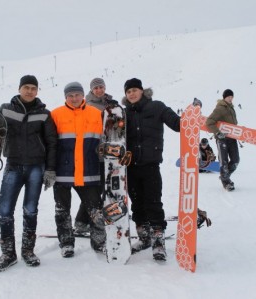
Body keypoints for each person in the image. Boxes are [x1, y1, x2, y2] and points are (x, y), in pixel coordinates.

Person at [122, 78, 199, 261]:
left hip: (150, 165)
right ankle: (144, 237)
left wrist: (192, 113)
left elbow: (178, 124)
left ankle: (158, 242)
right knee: (137, 203)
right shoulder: (124, 113)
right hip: (130, 166)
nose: (132, 94)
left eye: (134, 90)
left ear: (142, 91)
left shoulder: (156, 107)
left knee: (153, 203)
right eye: (128, 91)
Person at [0, 75, 57, 272]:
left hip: (36, 167)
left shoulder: (44, 114)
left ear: (37, 91)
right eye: (26, 87)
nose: (29, 91)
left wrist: (51, 169)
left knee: (30, 210)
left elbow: (52, 142)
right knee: (5, 210)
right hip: (13, 165)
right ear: (19, 89)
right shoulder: (5, 110)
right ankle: (8, 253)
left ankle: (28, 250)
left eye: (33, 88)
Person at [51, 82, 106, 258]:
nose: (74, 98)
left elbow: (104, 139)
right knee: (62, 210)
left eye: (77, 95)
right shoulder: (55, 114)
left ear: (83, 95)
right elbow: (50, 144)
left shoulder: (96, 113)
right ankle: (66, 243)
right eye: (70, 95)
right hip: (62, 172)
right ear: (65, 97)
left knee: (95, 209)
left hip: (88, 171)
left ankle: (99, 241)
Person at [72, 78, 117, 235]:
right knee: (95, 190)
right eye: (96, 88)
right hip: (94, 152)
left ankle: (102, 216)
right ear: (91, 90)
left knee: (108, 188)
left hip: (110, 153)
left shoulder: (111, 103)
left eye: (101, 87)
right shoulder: (88, 105)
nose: (99, 90)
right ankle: (82, 221)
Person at [205, 88, 239, 191]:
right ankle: (226, 183)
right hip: (222, 139)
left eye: (232, 97)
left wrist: (240, 132)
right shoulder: (220, 108)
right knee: (223, 162)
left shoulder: (231, 108)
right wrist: (218, 132)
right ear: (224, 97)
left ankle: (224, 176)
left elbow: (233, 124)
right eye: (229, 97)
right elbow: (209, 122)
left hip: (232, 138)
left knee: (236, 160)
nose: (230, 98)